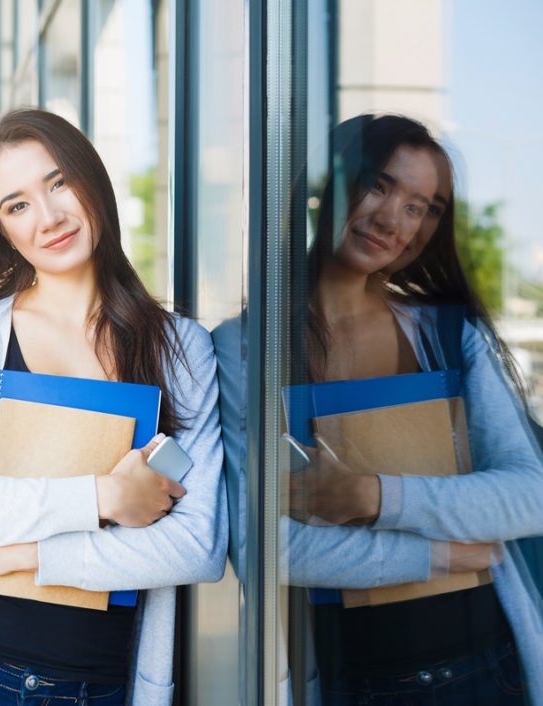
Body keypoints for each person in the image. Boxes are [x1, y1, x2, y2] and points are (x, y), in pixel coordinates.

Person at [0, 108, 228, 706]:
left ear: (93, 183)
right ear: (1, 229)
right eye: (17, 204)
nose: (49, 217)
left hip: (106, 688)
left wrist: (28, 554)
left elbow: (198, 547)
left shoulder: (183, 349)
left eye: (58, 183)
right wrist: (102, 498)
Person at [218, 114, 543, 705]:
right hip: (351, 679)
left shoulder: (449, 334)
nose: (394, 219)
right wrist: (438, 553)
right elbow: (266, 547)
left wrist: (373, 497)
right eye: (381, 186)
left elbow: (531, 494)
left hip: (488, 668)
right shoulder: (246, 347)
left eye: (421, 207)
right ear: (330, 185)